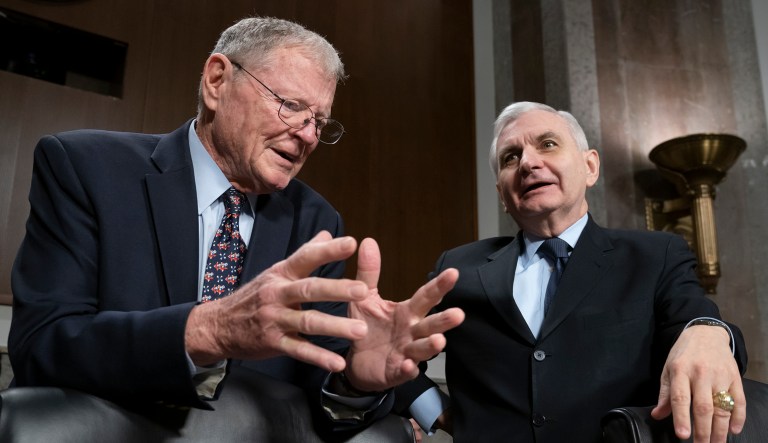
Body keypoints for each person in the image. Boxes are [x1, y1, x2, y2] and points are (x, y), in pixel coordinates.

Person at [8, 16, 464, 436]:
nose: (307, 135)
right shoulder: (85, 167)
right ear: (216, 81)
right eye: (290, 105)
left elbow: (317, 410)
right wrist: (206, 331)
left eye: (318, 122)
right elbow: (42, 347)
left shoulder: (316, 223)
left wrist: (354, 380)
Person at [395, 101, 748, 443]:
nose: (528, 163)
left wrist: (709, 333)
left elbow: (697, 324)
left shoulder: (656, 255)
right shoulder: (458, 269)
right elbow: (393, 353)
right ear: (503, 194)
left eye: (547, 144)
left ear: (590, 166)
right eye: (510, 157)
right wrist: (440, 413)